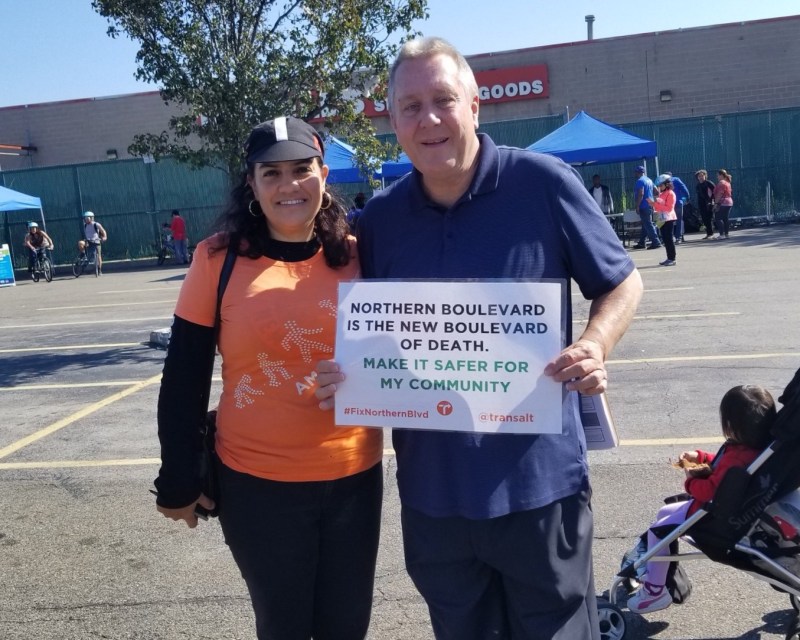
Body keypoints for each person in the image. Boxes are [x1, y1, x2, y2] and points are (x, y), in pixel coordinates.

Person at [316, 36, 643, 640]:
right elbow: (347, 317)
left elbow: (622, 283)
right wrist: (344, 371)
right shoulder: (381, 220)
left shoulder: (543, 184)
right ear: (392, 122)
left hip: (539, 488)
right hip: (433, 497)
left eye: (443, 99)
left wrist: (596, 342)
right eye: (410, 106)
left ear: (474, 105)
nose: (429, 118)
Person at [154, 115, 383, 640]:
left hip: (353, 476)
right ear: (252, 184)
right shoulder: (217, 260)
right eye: (271, 173)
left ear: (324, 175)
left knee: (346, 627)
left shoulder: (356, 255)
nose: (289, 186)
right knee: (283, 625)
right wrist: (178, 481)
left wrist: (368, 373)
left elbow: (406, 347)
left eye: (301, 170)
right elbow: (184, 375)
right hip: (257, 484)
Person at [627, 384, 776, 613]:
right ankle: (659, 569)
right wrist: (702, 456)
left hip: (712, 514)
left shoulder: (736, 457)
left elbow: (706, 491)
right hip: (732, 505)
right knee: (663, 515)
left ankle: (655, 591)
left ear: (731, 424)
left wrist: (689, 478)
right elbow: (722, 467)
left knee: (658, 531)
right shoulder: (755, 449)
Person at [648, 174, 678, 266]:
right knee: (665, 239)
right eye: (659, 185)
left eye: (661, 185)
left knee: (669, 239)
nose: (660, 187)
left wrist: (654, 204)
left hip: (669, 219)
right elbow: (661, 205)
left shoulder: (671, 194)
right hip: (661, 219)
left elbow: (669, 208)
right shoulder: (662, 194)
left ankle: (672, 258)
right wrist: (654, 203)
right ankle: (669, 258)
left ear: (667, 184)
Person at [632, 166, 661, 250]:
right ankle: (642, 242)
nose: (635, 174)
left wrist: (637, 205)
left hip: (643, 205)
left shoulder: (640, 181)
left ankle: (656, 242)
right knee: (646, 224)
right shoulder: (649, 180)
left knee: (648, 224)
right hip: (650, 204)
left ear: (639, 172)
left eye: (636, 172)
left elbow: (641, 193)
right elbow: (656, 191)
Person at [665, 173, 690, 244]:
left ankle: (669, 237)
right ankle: (678, 237)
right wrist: (688, 197)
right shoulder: (676, 179)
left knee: (669, 220)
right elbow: (684, 188)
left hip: (669, 204)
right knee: (679, 220)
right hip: (678, 202)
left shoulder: (663, 182)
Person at [712, 168, 734, 239]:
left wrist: (715, 203)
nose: (717, 177)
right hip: (729, 202)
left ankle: (722, 234)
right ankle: (726, 234)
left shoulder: (721, 183)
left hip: (722, 202)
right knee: (725, 218)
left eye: (718, 175)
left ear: (721, 175)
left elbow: (720, 194)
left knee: (718, 218)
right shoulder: (728, 182)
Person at [695, 169, 716, 240]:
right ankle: (708, 233)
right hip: (701, 205)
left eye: (702, 176)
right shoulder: (698, 185)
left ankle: (711, 234)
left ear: (705, 176)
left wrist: (713, 201)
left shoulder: (709, 183)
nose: (700, 177)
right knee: (704, 219)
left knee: (709, 219)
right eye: (699, 176)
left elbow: (715, 192)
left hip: (709, 203)